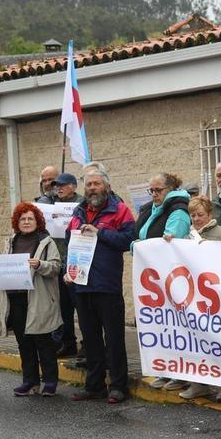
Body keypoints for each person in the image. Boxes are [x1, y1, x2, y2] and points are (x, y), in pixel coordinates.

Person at [66, 164, 136, 404]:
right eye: (88, 184)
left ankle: (118, 386)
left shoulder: (121, 210)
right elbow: (70, 243)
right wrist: (69, 271)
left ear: (106, 185)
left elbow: (128, 240)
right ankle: (94, 386)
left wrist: (100, 233)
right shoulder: (77, 212)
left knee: (114, 339)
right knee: (91, 338)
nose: (92, 188)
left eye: (96, 184)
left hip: (107, 285)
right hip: (82, 285)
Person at [162, 195, 221, 400]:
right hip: (195, 298)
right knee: (196, 340)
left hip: (217, 297)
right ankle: (199, 382)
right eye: (193, 215)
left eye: (200, 214)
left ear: (210, 214)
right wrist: (170, 243)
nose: (196, 218)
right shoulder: (186, 238)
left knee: (219, 341)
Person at [0, 202, 62, 397]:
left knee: (43, 342)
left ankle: (49, 382)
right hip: (16, 299)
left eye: (30, 218)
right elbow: (4, 266)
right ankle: (30, 381)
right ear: (17, 222)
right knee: (24, 342)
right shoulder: (11, 242)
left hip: (38, 299)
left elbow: (56, 267)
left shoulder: (46, 242)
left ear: (37, 221)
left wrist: (40, 264)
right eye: (23, 219)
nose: (27, 222)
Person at [137, 172, 191, 392]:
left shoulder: (177, 212)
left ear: (170, 189)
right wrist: (139, 246)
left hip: (171, 278)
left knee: (176, 326)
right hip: (155, 278)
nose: (154, 195)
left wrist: (141, 246)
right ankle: (167, 369)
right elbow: (139, 237)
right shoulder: (154, 209)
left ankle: (180, 373)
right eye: (151, 191)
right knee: (162, 327)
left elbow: (168, 247)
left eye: (158, 190)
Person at [48, 172, 85, 358]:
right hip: (59, 260)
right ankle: (67, 342)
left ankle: (87, 343)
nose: (59, 188)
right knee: (64, 307)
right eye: (57, 186)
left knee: (82, 305)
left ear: (73, 186)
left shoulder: (82, 203)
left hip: (77, 260)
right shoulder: (52, 205)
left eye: (63, 185)